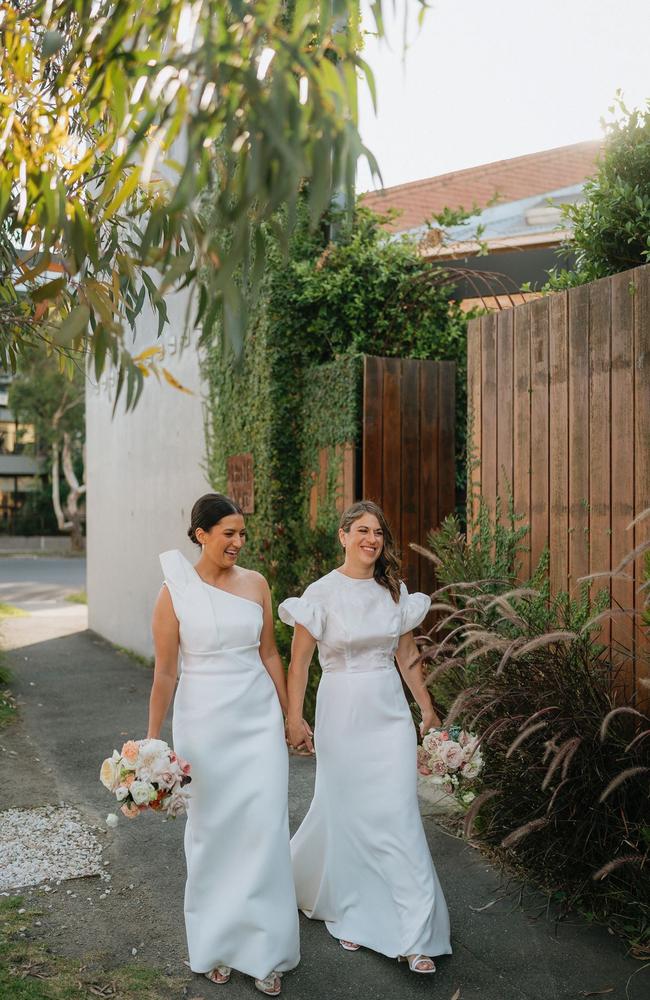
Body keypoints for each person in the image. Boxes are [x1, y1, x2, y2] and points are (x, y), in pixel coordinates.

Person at [280, 500, 451, 974]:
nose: (371, 539)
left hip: (389, 715)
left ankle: (415, 935)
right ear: (343, 535)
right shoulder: (319, 593)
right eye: (361, 530)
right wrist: (295, 718)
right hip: (341, 712)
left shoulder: (393, 592)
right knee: (349, 813)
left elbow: (408, 656)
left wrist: (428, 711)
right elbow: (298, 665)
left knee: (398, 814)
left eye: (378, 532)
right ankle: (352, 906)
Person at [147, 493, 300, 996]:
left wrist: (291, 715)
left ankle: (265, 951)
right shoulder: (174, 593)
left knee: (264, 829)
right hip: (204, 723)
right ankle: (215, 943)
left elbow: (271, 653)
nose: (237, 542)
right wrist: (151, 743)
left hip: (257, 720)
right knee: (213, 833)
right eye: (228, 533)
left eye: (241, 533)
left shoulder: (256, 584)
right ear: (201, 535)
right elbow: (166, 672)